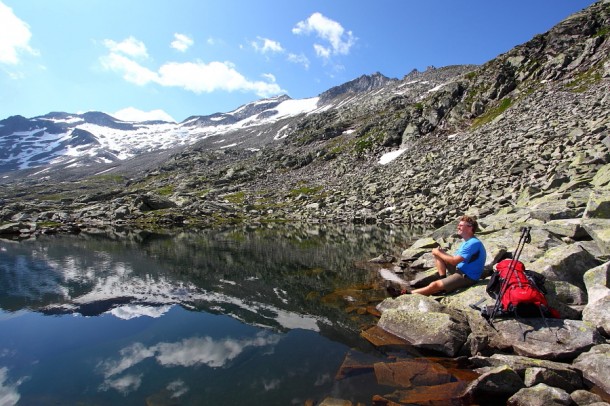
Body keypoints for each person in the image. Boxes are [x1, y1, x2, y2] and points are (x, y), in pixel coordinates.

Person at [389, 215, 486, 297]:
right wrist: (440, 253)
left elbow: (454, 261)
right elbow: (454, 260)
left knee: (434, 285)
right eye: (458, 225)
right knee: (437, 253)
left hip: (467, 277)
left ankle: (405, 294)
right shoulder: (467, 242)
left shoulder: (473, 243)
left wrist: (439, 253)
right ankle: (443, 279)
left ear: (470, 228)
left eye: (461, 225)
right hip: (461, 270)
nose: (458, 227)